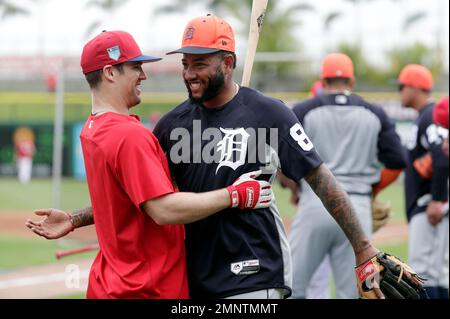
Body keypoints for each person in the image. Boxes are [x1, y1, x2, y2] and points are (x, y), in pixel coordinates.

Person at [26, 30, 273, 299]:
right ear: (110, 72)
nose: (143, 75)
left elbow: (128, 200)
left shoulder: (93, 129)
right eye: (135, 67)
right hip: (145, 287)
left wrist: (75, 219)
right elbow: (163, 210)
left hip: (113, 282)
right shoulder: (128, 136)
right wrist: (235, 194)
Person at [287, 53, 407, 299]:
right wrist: (371, 191)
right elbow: (397, 161)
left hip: (314, 205)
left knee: (292, 287)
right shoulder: (375, 113)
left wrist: (294, 190)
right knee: (352, 293)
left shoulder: (303, 110)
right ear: (351, 82)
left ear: (322, 81)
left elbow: (282, 161)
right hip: (357, 210)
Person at [398, 64, 449, 299]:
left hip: (429, 206)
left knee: (425, 273)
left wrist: (437, 199)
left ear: (415, 87)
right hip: (428, 204)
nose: (400, 92)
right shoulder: (426, 116)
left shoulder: (430, 115)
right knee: (436, 273)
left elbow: (440, 159)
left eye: (402, 87)